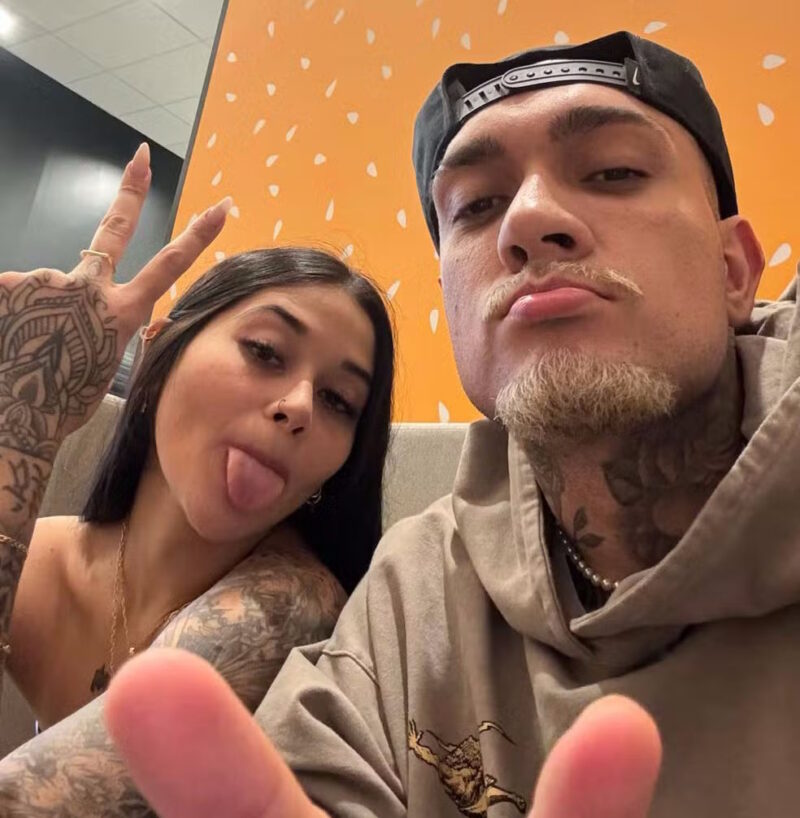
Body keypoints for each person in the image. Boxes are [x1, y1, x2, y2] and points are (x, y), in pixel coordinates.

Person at [0, 27, 795, 817]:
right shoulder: (418, 590)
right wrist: (25, 411)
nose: (527, 219)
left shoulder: (293, 602)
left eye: (614, 171)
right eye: (477, 205)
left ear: (735, 270)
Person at [0, 143, 394, 813]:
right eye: (265, 351)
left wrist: (24, 421)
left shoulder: (295, 605)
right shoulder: (43, 560)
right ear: (157, 358)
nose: (299, 405)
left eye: (338, 401)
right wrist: (28, 413)